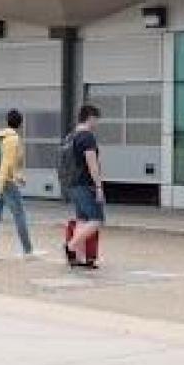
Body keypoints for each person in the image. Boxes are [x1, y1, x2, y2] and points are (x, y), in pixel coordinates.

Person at [0, 109, 35, 260]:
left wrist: (17, 177)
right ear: (20, 123)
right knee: (19, 215)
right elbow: (6, 164)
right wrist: (2, 185)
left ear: (7, 121)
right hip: (5, 182)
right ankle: (28, 251)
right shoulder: (13, 139)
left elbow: (7, 164)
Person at [62, 103, 105, 268]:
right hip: (86, 184)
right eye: (97, 120)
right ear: (90, 118)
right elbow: (92, 163)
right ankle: (70, 246)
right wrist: (99, 186)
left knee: (82, 219)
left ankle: (79, 258)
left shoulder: (71, 136)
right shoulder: (87, 137)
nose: (97, 124)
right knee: (97, 220)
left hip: (72, 184)